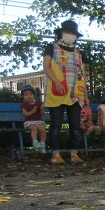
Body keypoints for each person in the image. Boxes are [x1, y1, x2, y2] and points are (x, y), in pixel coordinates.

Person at [43, 20, 89, 164]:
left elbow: (82, 75)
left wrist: (86, 94)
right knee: (56, 125)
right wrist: (57, 82)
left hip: (75, 93)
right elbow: (46, 67)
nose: (70, 35)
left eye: (73, 33)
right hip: (56, 91)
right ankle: (55, 155)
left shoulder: (80, 53)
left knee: (75, 125)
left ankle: (74, 153)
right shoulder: (51, 47)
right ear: (61, 33)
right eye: (68, 32)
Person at [20, 84, 47, 153]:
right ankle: (35, 142)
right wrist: (32, 111)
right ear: (23, 97)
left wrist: (42, 109)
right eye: (26, 95)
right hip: (29, 121)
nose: (28, 96)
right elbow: (25, 114)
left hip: (39, 120)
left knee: (43, 129)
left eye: (30, 94)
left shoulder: (39, 104)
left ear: (34, 96)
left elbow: (42, 113)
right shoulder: (24, 105)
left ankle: (42, 144)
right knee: (34, 128)